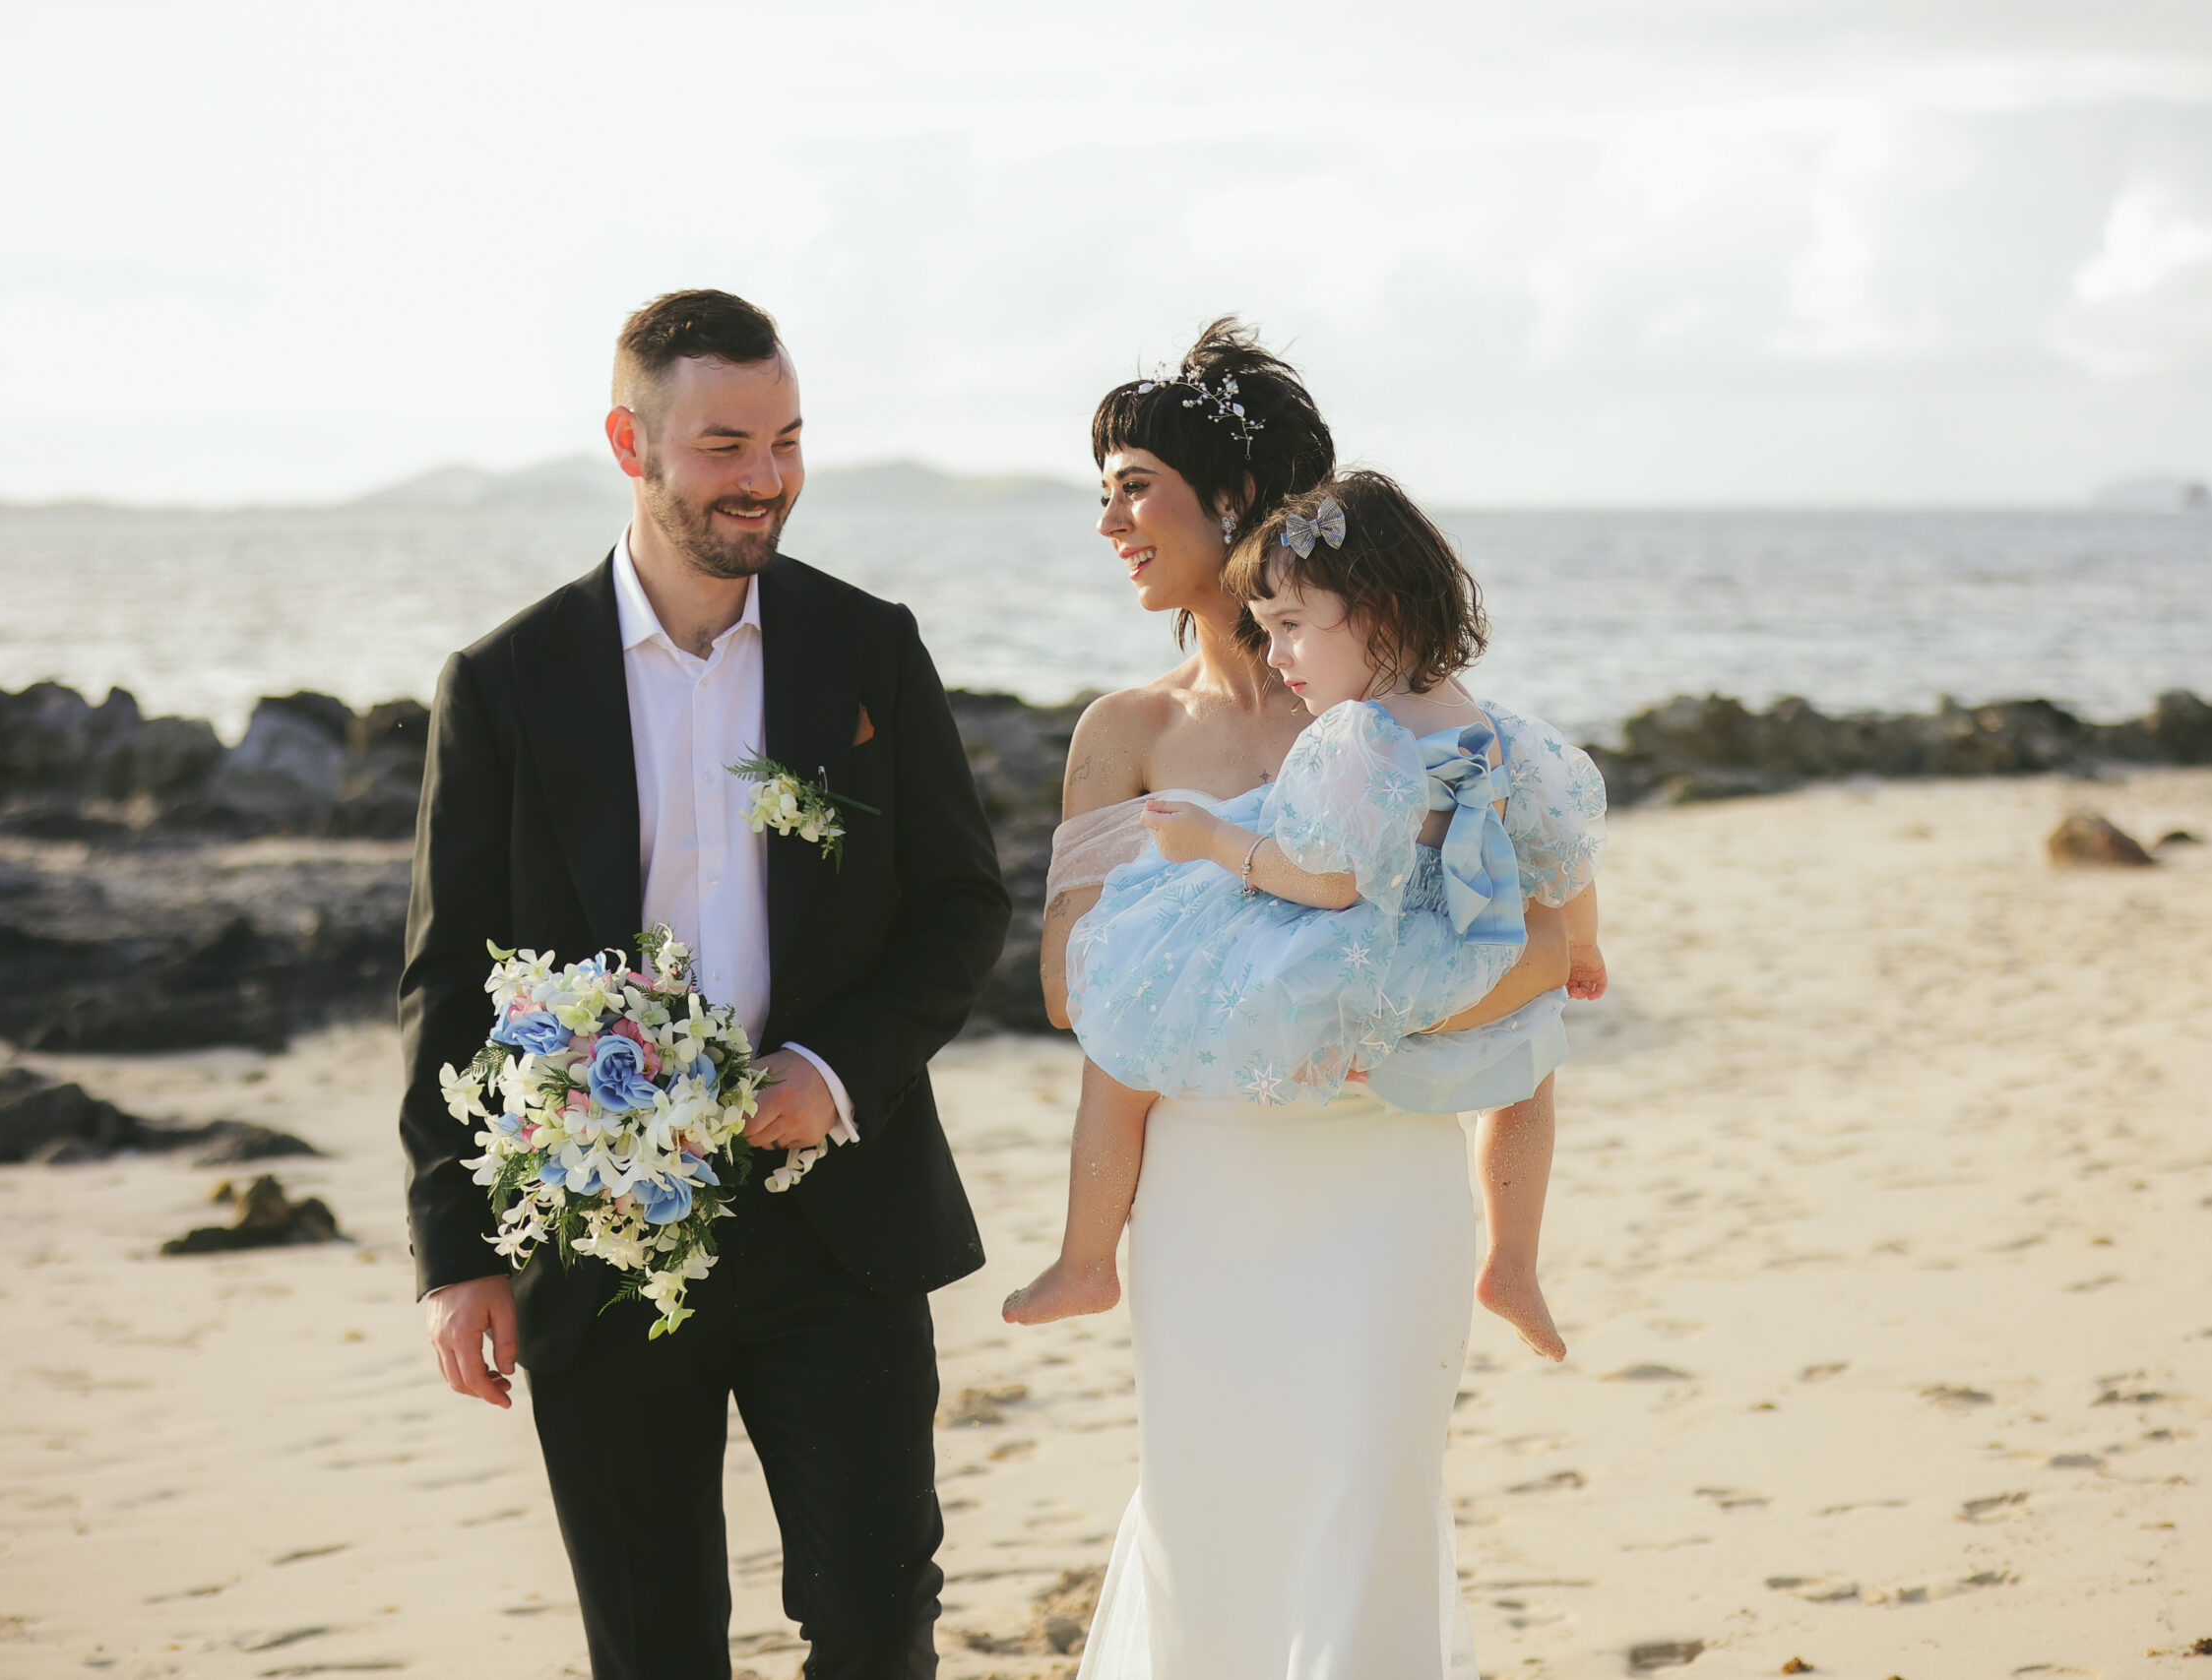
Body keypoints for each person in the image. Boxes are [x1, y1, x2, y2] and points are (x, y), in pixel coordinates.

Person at [397, 289, 1010, 1680]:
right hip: (599, 1237)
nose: (767, 477)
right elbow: (447, 980)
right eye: (727, 443)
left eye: (787, 439)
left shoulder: (868, 648)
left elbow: (963, 902)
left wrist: (839, 1069)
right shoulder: (502, 683)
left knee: (877, 1618)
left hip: (840, 1225)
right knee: (654, 1642)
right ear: (633, 442)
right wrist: (459, 1248)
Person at [1028, 324, 1585, 1678]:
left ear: (1238, 503)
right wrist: (1266, 924)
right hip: (1206, 1184)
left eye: (1136, 483)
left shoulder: (1403, 719)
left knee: (1370, 1502)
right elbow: (1066, 981)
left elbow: (1551, 937)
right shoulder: (1126, 731)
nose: (1109, 518)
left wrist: (1379, 1017)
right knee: (1209, 1507)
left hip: (1384, 1164)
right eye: (1102, 487)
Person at [1003, 471, 1609, 1367]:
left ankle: (1086, 1257)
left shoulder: (1359, 738)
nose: (1277, 653)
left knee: (1133, 1020)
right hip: (1477, 944)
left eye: (1291, 625)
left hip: (1376, 952)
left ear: (1383, 612)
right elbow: (1560, 850)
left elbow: (1328, 882)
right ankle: (1512, 1259)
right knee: (1529, 1070)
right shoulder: (1497, 727)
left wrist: (1214, 840)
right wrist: (1582, 946)